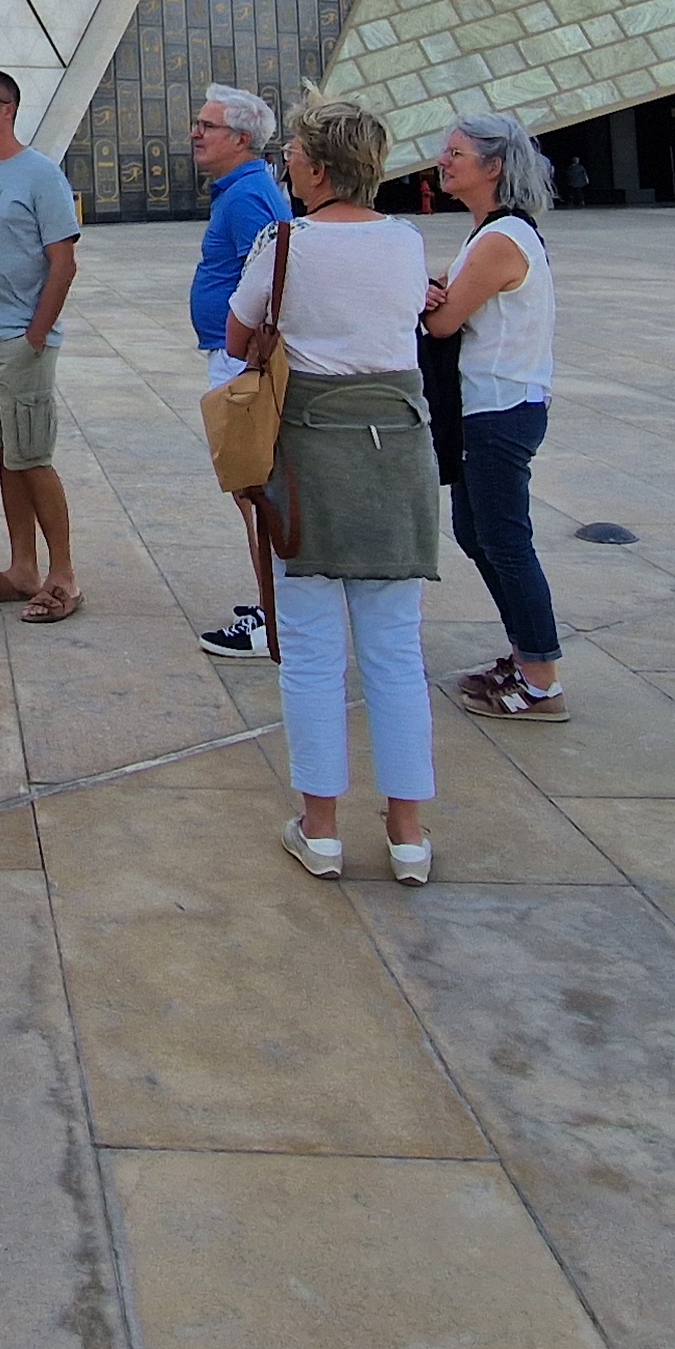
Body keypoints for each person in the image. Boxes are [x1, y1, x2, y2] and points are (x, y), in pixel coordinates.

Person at [228, 94, 440, 885]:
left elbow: (237, 334)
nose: (287, 161)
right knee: (395, 650)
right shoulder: (408, 241)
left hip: (309, 456)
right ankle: (408, 835)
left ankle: (320, 828)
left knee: (313, 649)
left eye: (294, 152)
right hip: (396, 456)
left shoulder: (285, 243)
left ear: (315, 166)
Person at [426, 109, 566, 722]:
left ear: (494, 165)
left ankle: (541, 681)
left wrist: (426, 298)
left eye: (456, 153)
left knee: (506, 542)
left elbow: (442, 322)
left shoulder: (500, 239)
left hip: (499, 409)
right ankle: (524, 652)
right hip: (488, 407)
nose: (443, 161)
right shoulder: (491, 233)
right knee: (475, 532)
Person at [0, 69, 84, 622]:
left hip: (18, 344)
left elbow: (64, 262)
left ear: (8, 109)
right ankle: (22, 567)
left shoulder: (40, 175)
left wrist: (34, 336)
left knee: (33, 458)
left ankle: (64, 575)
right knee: (7, 458)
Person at [189, 86, 294, 660]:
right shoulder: (241, 191)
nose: (196, 134)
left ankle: (272, 617)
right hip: (235, 355)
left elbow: (274, 281)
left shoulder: (249, 196)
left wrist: (251, 360)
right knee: (254, 491)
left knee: (255, 490)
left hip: (242, 361)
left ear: (242, 138)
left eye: (207, 126)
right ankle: (272, 604)